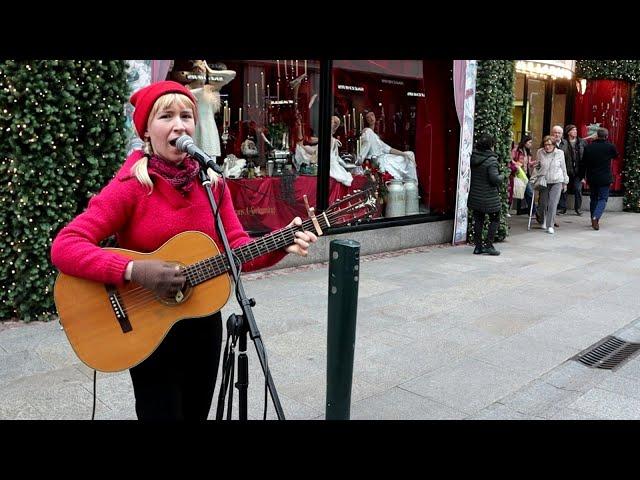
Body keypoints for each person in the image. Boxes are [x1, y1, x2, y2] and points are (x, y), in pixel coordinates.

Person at [50, 80, 318, 420]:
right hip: (146, 329)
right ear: (147, 131)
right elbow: (66, 245)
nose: (180, 125)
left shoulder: (212, 184)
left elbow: (237, 251)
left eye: (186, 115)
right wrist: (135, 271)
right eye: (166, 116)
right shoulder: (131, 186)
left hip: (202, 324)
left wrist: (282, 242)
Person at [468, 133, 504, 256]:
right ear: (490, 146)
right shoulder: (491, 160)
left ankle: (478, 247)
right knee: (495, 218)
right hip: (489, 197)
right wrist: (502, 176)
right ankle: (489, 245)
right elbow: (494, 179)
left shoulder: (474, 157)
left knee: (478, 220)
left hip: (475, 196)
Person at [358, 110, 418, 183]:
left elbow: (389, 149)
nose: (371, 118)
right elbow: (365, 146)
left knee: (410, 154)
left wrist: (404, 154)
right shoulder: (367, 131)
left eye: (372, 115)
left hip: (385, 156)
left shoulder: (376, 136)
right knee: (408, 156)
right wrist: (360, 160)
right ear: (366, 120)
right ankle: (411, 184)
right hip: (378, 159)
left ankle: (411, 184)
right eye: (368, 117)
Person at [579, 127, 618, 230]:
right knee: (603, 198)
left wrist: (582, 176)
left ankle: (593, 219)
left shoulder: (589, 147)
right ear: (606, 136)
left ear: (596, 135)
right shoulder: (610, 146)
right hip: (605, 178)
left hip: (592, 177)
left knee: (594, 198)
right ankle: (596, 217)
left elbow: (583, 163)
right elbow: (616, 156)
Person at [535, 135, 568, 234]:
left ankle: (550, 225)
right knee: (543, 203)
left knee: (553, 204)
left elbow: (563, 168)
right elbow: (537, 166)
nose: (547, 147)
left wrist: (565, 182)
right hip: (544, 180)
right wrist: (534, 178)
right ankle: (543, 220)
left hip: (557, 181)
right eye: (545, 144)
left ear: (554, 145)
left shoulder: (560, 153)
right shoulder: (540, 152)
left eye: (549, 145)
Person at [559, 124, 588, 216]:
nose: (575, 131)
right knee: (564, 189)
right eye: (573, 130)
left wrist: (584, 175)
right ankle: (562, 208)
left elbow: (585, 157)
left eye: (576, 130)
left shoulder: (582, 142)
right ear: (568, 132)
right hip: (566, 169)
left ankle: (578, 208)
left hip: (578, 171)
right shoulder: (563, 143)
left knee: (578, 189)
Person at [510, 134, 535, 216]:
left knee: (528, 193)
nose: (530, 144)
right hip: (519, 174)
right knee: (529, 193)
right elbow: (510, 159)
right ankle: (533, 211)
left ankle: (531, 211)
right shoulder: (517, 150)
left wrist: (534, 163)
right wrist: (516, 164)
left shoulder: (527, 151)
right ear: (525, 142)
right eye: (529, 142)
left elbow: (528, 163)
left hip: (526, 174)